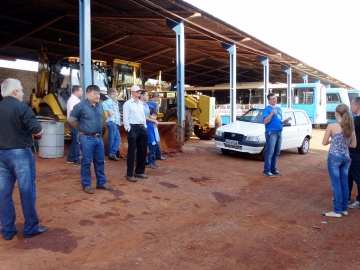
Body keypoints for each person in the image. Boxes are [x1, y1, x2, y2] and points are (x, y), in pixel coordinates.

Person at [0, 78, 47, 240]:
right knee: (27, 191)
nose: (23, 93)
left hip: (1, 155)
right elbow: (38, 131)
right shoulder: (22, 108)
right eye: (21, 90)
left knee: (3, 193)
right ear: (15, 92)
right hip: (20, 155)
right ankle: (30, 228)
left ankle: (7, 229)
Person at [69, 85, 113, 194]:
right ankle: (86, 185)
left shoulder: (100, 106)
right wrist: (80, 129)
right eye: (95, 94)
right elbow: (72, 120)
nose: (97, 96)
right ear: (87, 94)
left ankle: (101, 183)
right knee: (86, 162)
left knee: (100, 161)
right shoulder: (80, 106)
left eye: (98, 94)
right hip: (86, 138)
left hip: (98, 138)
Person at [322, 104, 356, 218]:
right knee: (344, 183)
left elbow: (324, 142)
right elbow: (353, 144)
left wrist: (334, 142)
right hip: (346, 158)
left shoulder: (332, 126)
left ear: (337, 113)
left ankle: (337, 211)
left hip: (334, 158)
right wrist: (343, 144)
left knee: (336, 184)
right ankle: (344, 209)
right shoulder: (351, 127)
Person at [123, 85, 148, 182]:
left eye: (140, 91)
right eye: (137, 91)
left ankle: (139, 171)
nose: (139, 92)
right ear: (132, 92)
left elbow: (143, 115)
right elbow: (126, 117)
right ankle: (129, 174)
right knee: (131, 152)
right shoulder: (128, 104)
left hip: (142, 128)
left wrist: (145, 125)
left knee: (142, 151)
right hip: (133, 128)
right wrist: (128, 128)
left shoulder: (141, 104)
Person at [262, 93, 289, 177]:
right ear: (269, 100)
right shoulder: (267, 109)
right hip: (271, 132)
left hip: (279, 132)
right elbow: (265, 121)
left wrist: (283, 122)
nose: (275, 100)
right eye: (272, 98)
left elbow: (278, 120)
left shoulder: (279, 109)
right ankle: (266, 171)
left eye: (275, 98)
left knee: (277, 152)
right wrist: (272, 114)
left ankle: (273, 169)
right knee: (270, 152)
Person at [143, 91, 166, 161]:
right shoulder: (155, 104)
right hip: (150, 122)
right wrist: (155, 121)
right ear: (155, 98)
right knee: (153, 144)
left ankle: (142, 157)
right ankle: (156, 156)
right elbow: (154, 113)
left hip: (145, 122)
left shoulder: (146, 104)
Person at [102, 88, 121, 161]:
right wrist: (108, 111)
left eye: (115, 94)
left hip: (115, 122)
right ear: (109, 95)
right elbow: (103, 104)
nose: (115, 95)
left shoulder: (115, 101)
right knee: (114, 138)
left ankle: (112, 153)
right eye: (113, 94)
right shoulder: (109, 100)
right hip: (112, 121)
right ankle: (112, 153)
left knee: (116, 138)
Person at [348, 97, 360, 209]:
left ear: (358, 106)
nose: (351, 107)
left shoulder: (356, 120)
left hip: (356, 153)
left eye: (352, 105)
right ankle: (347, 197)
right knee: (349, 176)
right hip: (353, 152)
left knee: (357, 177)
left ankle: (359, 201)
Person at [66, 85, 83, 166]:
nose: (82, 92)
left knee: (74, 140)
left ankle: (70, 157)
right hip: (74, 123)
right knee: (77, 141)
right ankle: (76, 160)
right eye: (81, 91)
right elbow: (72, 112)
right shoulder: (73, 100)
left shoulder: (76, 99)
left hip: (74, 122)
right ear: (76, 92)